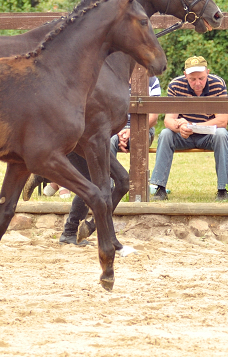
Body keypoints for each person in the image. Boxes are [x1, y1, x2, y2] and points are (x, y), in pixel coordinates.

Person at [58, 76, 160, 245]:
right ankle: (72, 231)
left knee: (119, 181)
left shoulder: (114, 77)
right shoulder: (101, 76)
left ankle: (85, 228)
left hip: (91, 139)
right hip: (78, 138)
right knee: (99, 183)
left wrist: (121, 131)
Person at [150, 56, 228, 201]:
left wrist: (195, 127)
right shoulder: (175, 85)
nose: (197, 83)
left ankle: (223, 189)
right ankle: (159, 188)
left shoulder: (218, 84)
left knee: (222, 134)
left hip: (208, 135)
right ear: (185, 75)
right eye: (192, 79)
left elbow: (223, 120)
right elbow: (168, 120)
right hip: (184, 136)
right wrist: (179, 125)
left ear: (208, 72)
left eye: (201, 78)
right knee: (165, 134)